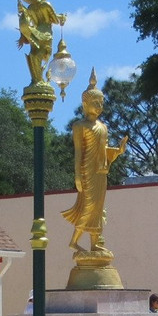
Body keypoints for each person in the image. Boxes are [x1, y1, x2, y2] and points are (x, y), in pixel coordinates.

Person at [62, 70, 127, 253]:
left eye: (101, 103)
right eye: (95, 103)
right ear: (85, 104)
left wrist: (118, 151)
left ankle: (95, 243)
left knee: (98, 209)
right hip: (87, 171)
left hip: (101, 172)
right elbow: (78, 151)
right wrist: (77, 176)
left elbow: (103, 150)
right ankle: (74, 241)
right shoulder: (79, 126)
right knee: (89, 207)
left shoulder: (103, 127)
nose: (99, 106)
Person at [17, 0, 65, 86]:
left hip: (35, 33)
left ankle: (36, 79)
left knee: (34, 55)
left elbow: (29, 21)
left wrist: (22, 35)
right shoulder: (46, 5)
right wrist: (61, 18)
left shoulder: (30, 7)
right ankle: (38, 79)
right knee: (44, 55)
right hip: (46, 34)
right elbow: (55, 20)